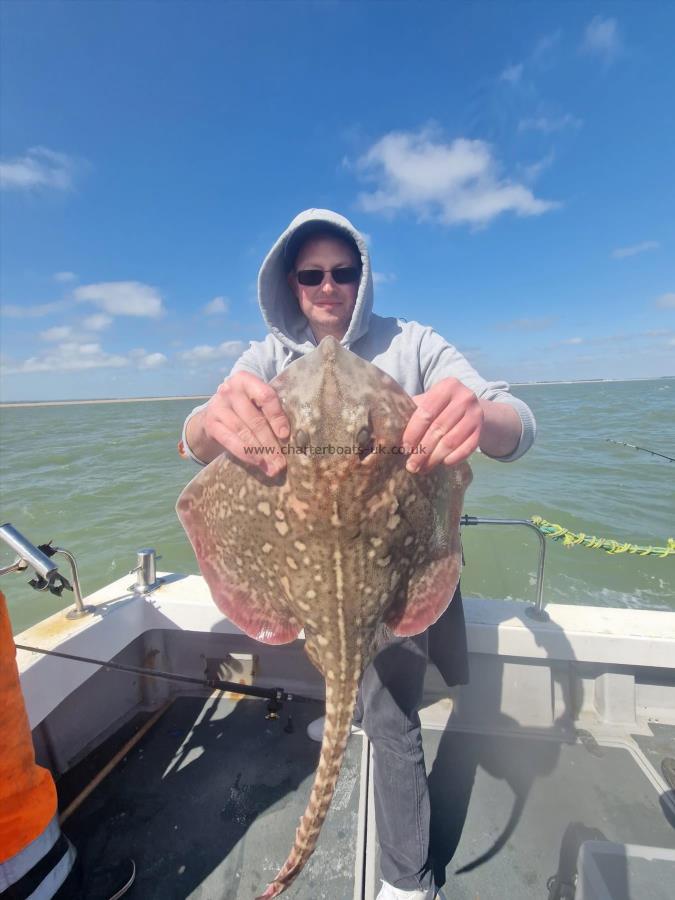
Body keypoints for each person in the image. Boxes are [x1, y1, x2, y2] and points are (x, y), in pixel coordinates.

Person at [180, 209, 536, 900]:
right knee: (352, 685)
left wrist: (477, 415)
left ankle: (406, 880)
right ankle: (348, 711)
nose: (328, 286)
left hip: (395, 568)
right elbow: (193, 440)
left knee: (392, 715)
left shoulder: (412, 344)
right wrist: (206, 422)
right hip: (303, 569)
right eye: (312, 274)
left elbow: (515, 425)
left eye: (343, 272)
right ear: (291, 283)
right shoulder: (265, 359)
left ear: (361, 278)